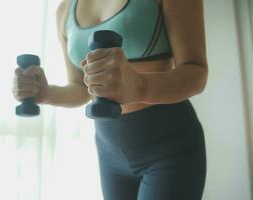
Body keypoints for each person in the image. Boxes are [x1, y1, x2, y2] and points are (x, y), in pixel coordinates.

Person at [12, 0, 208, 199]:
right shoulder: (64, 10)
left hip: (168, 147)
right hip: (109, 151)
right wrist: (45, 94)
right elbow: (81, 87)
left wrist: (138, 86)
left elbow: (196, 72)